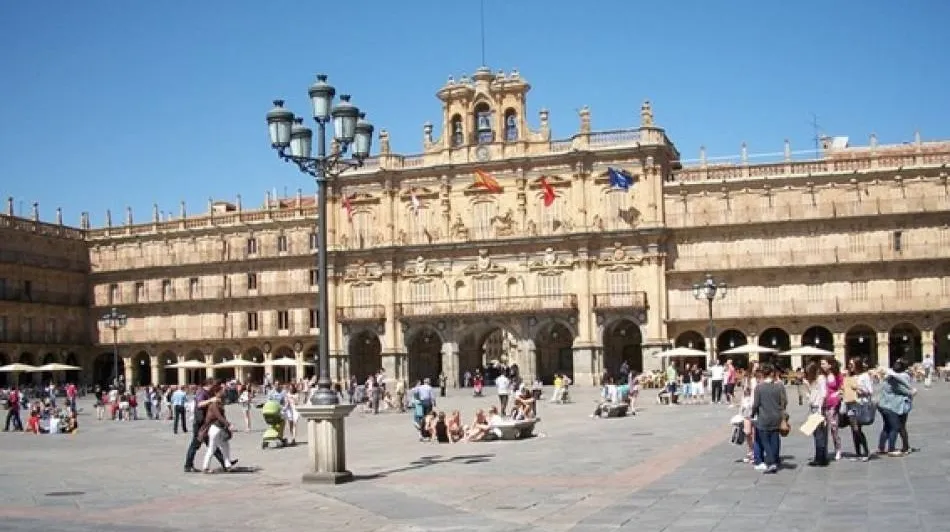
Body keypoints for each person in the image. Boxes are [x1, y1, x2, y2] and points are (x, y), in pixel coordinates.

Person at [184, 379, 231, 473]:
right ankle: (188, 465)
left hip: (205, 423)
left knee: (212, 444)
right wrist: (211, 400)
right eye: (213, 385)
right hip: (200, 423)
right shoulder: (201, 392)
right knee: (195, 444)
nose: (215, 387)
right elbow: (200, 404)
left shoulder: (208, 392)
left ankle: (225, 463)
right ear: (208, 385)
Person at [750, 364, 786, 474]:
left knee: (765, 441)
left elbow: (756, 404)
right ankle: (775, 459)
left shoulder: (759, 387)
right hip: (777, 416)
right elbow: (784, 402)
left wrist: (753, 413)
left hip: (764, 417)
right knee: (774, 439)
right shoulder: (779, 386)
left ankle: (771, 462)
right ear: (772, 373)